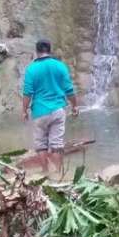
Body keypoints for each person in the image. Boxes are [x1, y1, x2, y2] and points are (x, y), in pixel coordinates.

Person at [22, 39, 79, 173]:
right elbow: (69, 90)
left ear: (36, 52)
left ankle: (45, 172)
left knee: (41, 145)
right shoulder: (60, 66)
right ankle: (58, 173)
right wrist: (75, 106)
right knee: (57, 144)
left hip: (39, 111)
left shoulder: (31, 69)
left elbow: (27, 93)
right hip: (58, 110)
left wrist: (24, 110)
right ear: (49, 50)